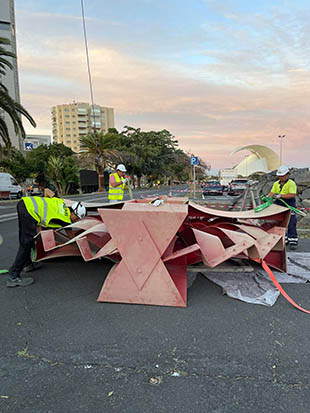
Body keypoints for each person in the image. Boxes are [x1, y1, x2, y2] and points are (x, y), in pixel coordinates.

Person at [6, 197, 86, 288]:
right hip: (29, 211)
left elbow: (48, 199)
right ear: (73, 213)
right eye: (77, 218)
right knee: (27, 243)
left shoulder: (61, 203)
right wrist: (81, 248)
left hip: (24, 203)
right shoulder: (65, 219)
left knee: (26, 238)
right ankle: (13, 275)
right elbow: (71, 237)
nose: (75, 221)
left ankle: (27, 264)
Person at [267, 165, 298, 250]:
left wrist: (281, 196)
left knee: (291, 222)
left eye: (282, 176)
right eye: (279, 176)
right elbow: (272, 192)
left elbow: (292, 194)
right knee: (280, 222)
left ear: (287, 175)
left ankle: (293, 240)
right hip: (279, 205)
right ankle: (283, 238)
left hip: (289, 204)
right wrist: (268, 197)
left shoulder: (291, 183)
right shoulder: (276, 184)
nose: (280, 178)